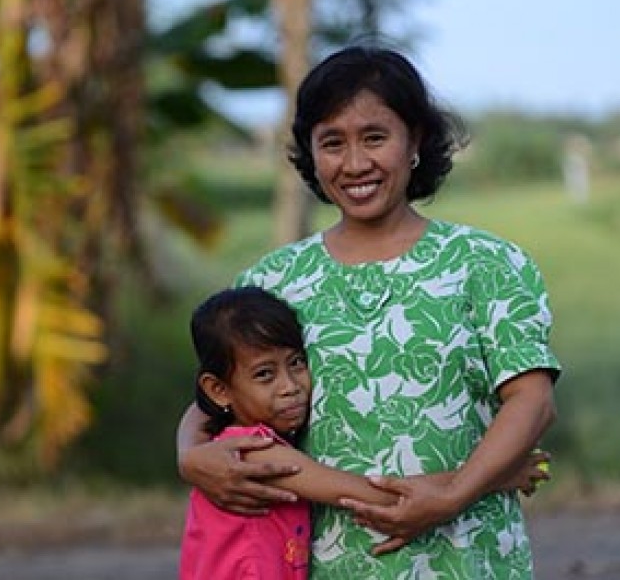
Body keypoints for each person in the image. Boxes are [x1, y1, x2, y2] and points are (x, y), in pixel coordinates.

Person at [176, 44, 561, 579]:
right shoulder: (273, 280)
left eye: (375, 137)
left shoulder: (487, 264)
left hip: (470, 560)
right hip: (323, 565)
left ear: (416, 141)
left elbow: (533, 401)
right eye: (332, 143)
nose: (355, 163)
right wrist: (189, 456)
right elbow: (220, 400)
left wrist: (455, 495)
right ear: (310, 153)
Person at [179, 286, 545, 580]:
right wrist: (499, 476)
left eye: (297, 364)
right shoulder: (251, 453)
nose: (290, 386)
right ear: (218, 390)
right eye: (264, 374)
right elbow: (370, 494)